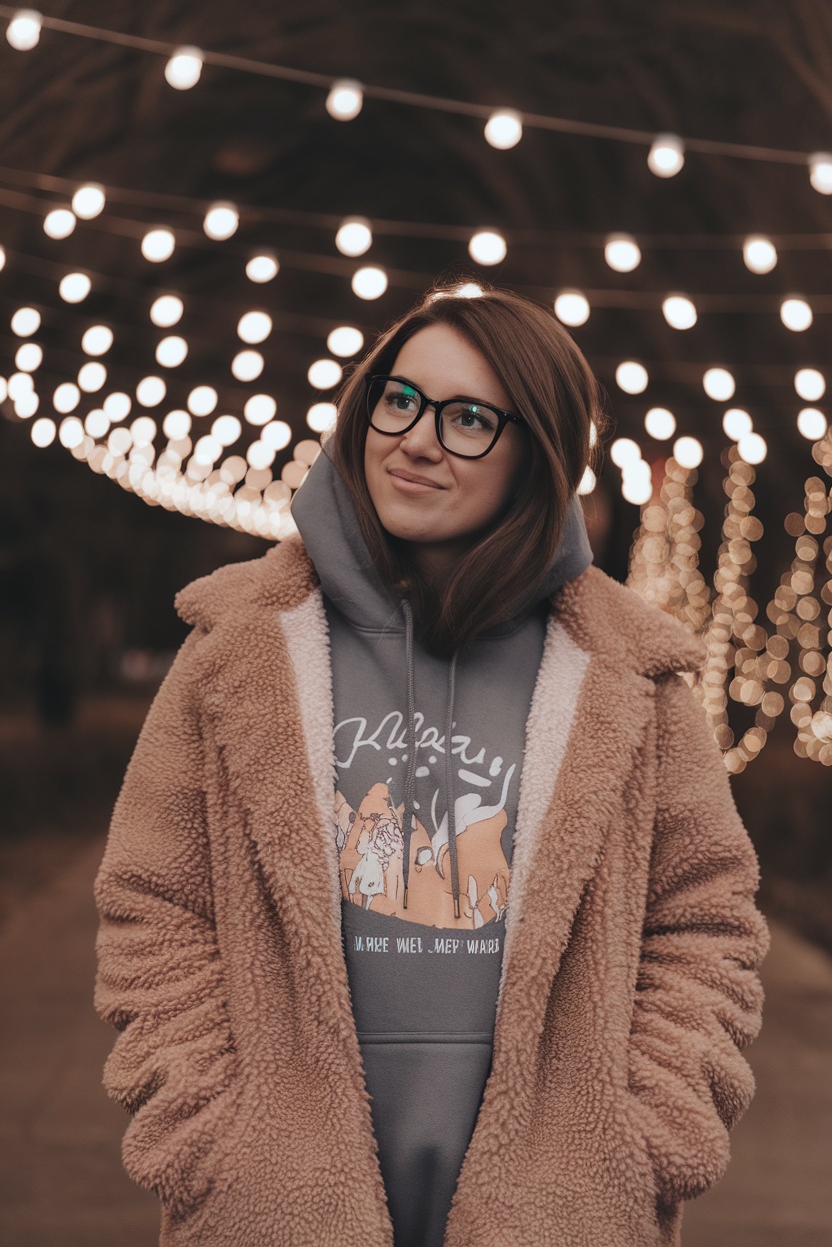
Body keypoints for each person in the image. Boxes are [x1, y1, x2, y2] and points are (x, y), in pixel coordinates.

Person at [94, 284, 770, 1247]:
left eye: (467, 420)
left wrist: (638, 1143)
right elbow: (154, 905)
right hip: (272, 1203)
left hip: (562, 1211)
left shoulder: (627, 672)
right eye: (398, 400)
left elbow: (705, 920)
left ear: (538, 456)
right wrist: (214, 1143)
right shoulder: (239, 646)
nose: (415, 440)